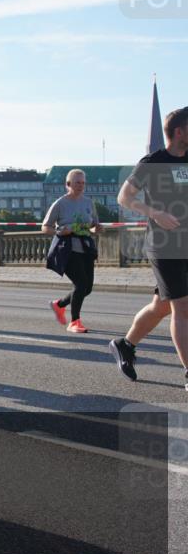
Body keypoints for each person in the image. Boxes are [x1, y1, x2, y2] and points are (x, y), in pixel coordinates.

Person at [112, 106, 188, 385]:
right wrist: (155, 212)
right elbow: (124, 197)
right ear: (179, 131)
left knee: (162, 306)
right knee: (182, 307)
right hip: (164, 245)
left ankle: (126, 344)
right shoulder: (153, 163)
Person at [43, 169, 101, 334]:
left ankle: (59, 305)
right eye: (77, 183)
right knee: (81, 284)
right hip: (67, 249)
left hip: (86, 248)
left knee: (87, 288)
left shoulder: (89, 202)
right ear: (68, 185)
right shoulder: (60, 203)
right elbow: (45, 227)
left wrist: (97, 228)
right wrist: (60, 231)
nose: (81, 186)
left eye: (83, 183)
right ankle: (74, 322)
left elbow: (93, 225)